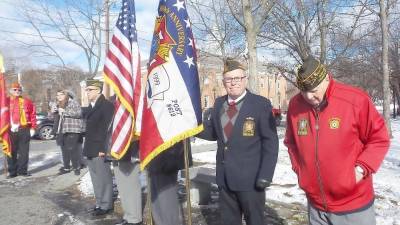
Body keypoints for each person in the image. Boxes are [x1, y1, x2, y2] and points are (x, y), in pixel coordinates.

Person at [284, 56, 390, 225]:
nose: (309, 97)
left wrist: (359, 170)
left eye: (314, 90)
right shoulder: (295, 105)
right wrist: (300, 169)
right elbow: (291, 143)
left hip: (353, 204)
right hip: (316, 204)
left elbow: (379, 138)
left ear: (326, 77)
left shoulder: (355, 99)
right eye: (304, 91)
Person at [198, 58, 279, 225]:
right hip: (224, 178)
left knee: (255, 221)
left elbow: (270, 143)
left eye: (237, 78)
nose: (233, 83)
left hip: (251, 180)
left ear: (245, 79)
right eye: (229, 79)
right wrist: (193, 130)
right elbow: (214, 132)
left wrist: (266, 175)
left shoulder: (260, 104)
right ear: (223, 82)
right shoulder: (219, 103)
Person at [82, 79, 114, 216]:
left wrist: (103, 148)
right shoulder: (91, 106)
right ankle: (100, 203)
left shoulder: (106, 106)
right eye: (87, 89)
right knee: (95, 178)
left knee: (103, 178)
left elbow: (106, 129)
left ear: (99, 90)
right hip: (90, 147)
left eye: (90, 89)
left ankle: (106, 205)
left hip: (100, 148)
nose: (87, 92)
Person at [146, 140, 191, 225]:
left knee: (167, 205)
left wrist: (172, 155)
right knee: (157, 205)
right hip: (154, 155)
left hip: (167, 156)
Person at [7, 82, 37, 178]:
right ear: (11, 91)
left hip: (24, 129)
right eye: (15, 90)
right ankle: (12, 172)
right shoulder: (5, 101)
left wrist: (33, 127)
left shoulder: (27, 101)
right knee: (11, 151)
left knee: (24, 152)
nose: (17, 91)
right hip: (10, 130)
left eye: (19, 90)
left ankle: (22, 171)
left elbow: (33, 115)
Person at [52, 90, 84, 175]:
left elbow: (79, 113)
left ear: (66, 95)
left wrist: (65, 112)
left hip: (72, 129)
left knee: (72, 149)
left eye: (60, 95)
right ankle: (66, 167)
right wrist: (54, 111)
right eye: (57, 95)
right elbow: (54, 117)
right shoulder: (59, 104)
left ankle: (76, 167)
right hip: (62, 130)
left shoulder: (73, 103)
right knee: (64, 150)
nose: (58, 97)